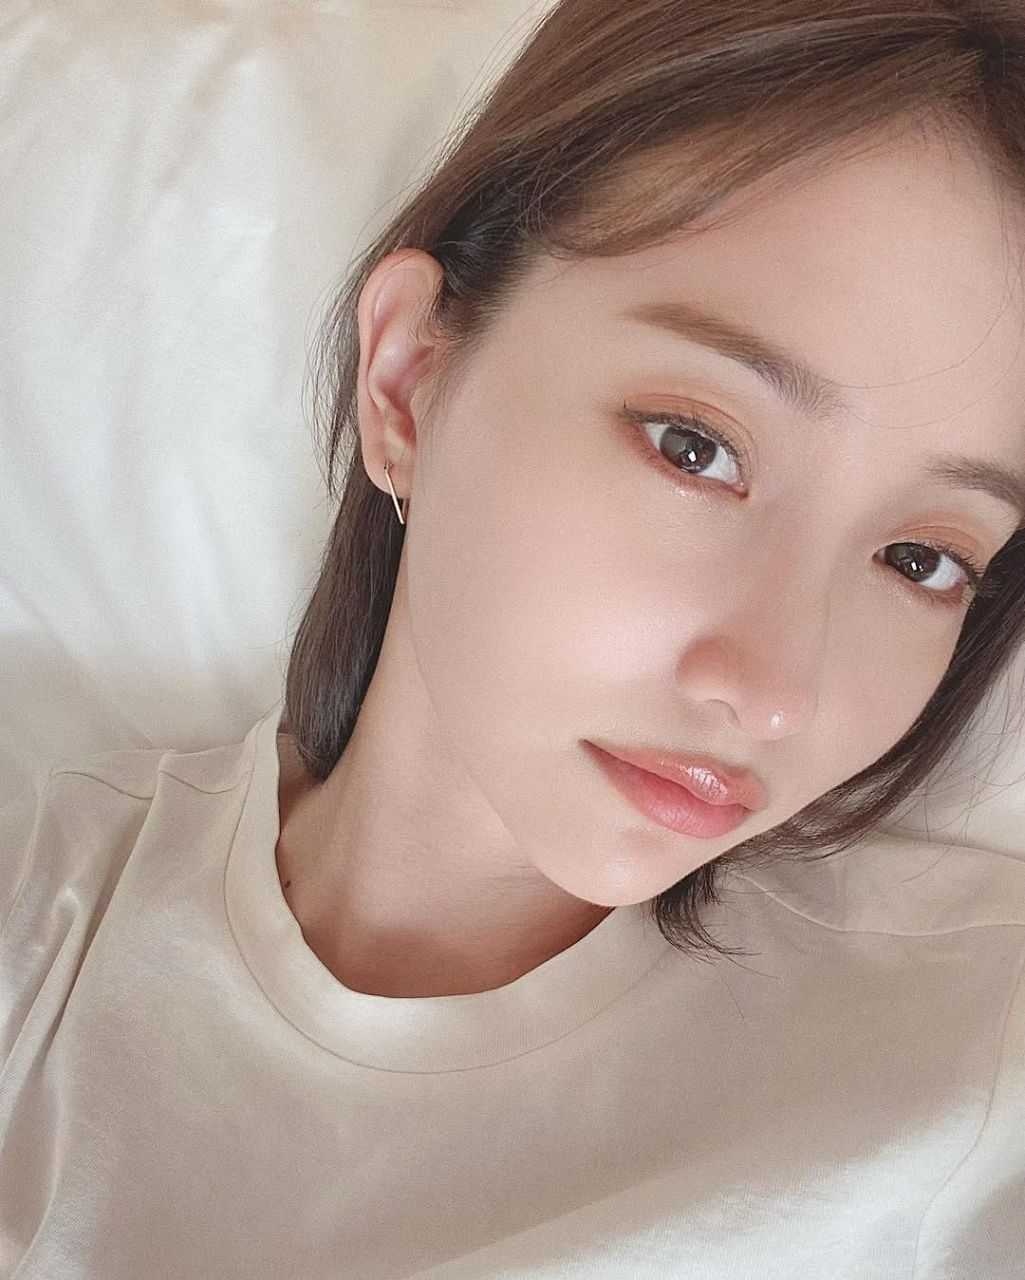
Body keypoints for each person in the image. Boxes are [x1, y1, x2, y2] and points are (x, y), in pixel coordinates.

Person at [4, 1, 1025, 1275]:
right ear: (407, 380)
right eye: (695, 447)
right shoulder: (44, 923)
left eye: (920, 558)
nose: (772, 690)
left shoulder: (970, 1060)